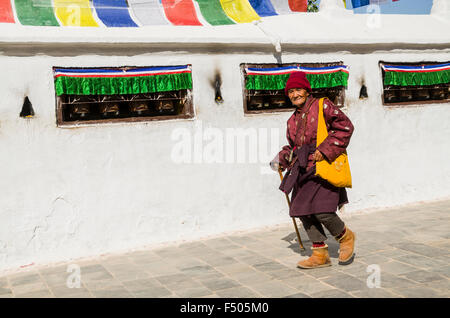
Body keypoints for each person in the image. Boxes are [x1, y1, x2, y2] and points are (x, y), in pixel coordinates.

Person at [270, 71, 356, 269]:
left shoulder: (322, 105)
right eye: (290, 91)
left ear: (307, 90)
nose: (294, 94)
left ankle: (346, 238)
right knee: (302, 210)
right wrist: (281, 158)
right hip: (302, 168)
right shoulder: (291, 121)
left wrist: (325, 149)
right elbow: (293, 147)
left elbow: (345, 127)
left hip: (323, 167)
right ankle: (320, 254)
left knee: (323, 211)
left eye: (298, 89)